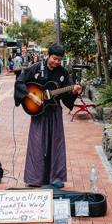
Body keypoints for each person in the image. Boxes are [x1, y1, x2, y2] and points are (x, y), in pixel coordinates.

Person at [14, 43, 82, 188]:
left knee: (56, 143)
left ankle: (56, 177)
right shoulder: (36, 68)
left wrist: (74, 91)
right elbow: (20, 82)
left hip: (54, 111)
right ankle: (34, 178)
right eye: (54, 58)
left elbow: (67, 94)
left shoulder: (63, 72)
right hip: (38, 112)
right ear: (48, 55)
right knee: (37, 143)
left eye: (59, 59)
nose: (57, 62)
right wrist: (31, 96)